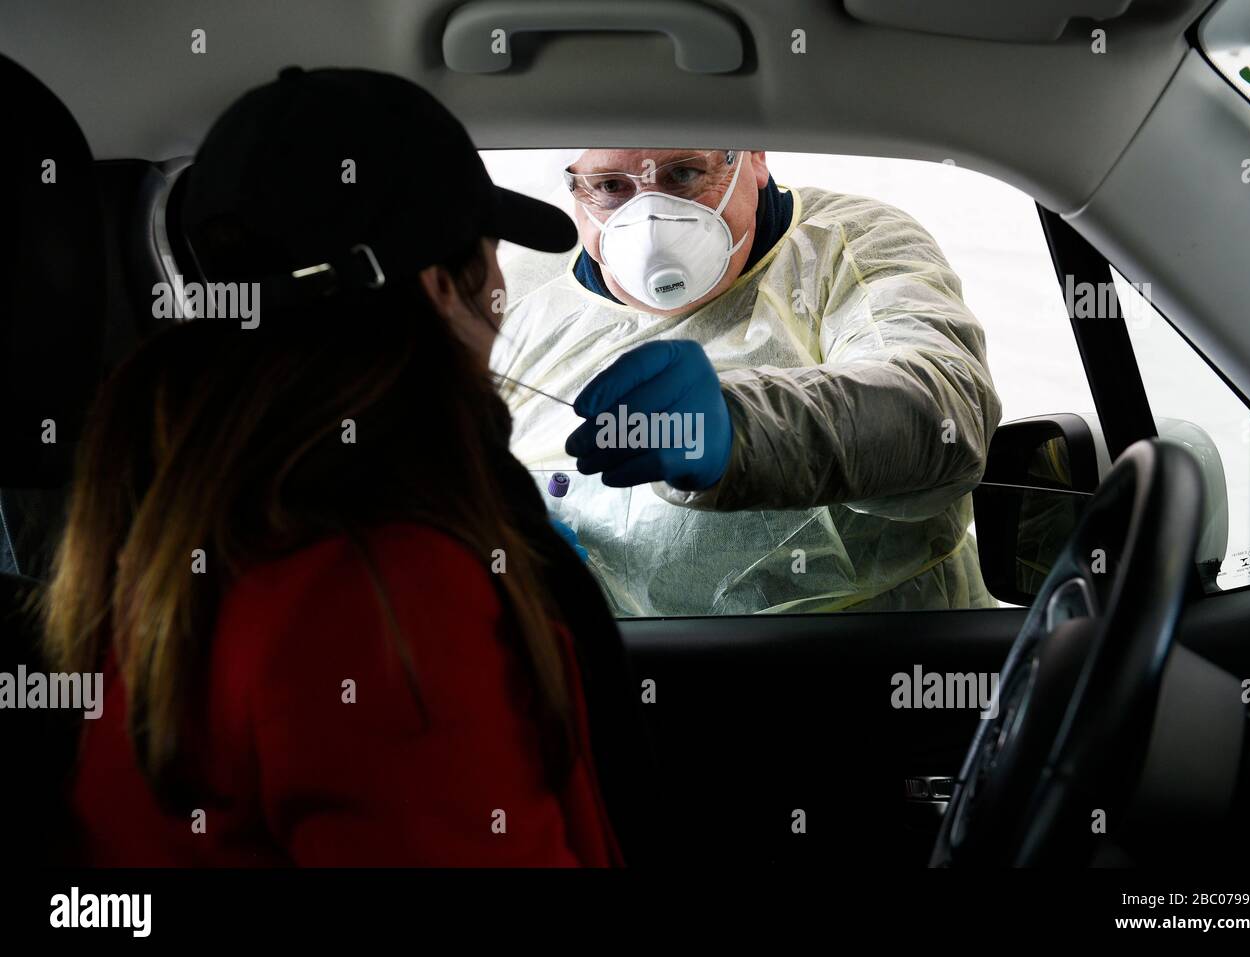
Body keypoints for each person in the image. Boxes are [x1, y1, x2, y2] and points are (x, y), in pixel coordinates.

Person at [41, 68, 651, 866]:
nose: (501, 290)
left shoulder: (176, 520)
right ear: (443, 285)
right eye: (491, 256)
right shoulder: (379, 589)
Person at [493, 149, 1003, 616]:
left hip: (875, 662)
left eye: (684, 174)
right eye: (610, 187)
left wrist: (742, 428)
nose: (651, 224)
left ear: (753, 158)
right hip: (624, 682)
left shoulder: (849, 243)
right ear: (575, 189)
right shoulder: (520, 295)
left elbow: (943, 412)